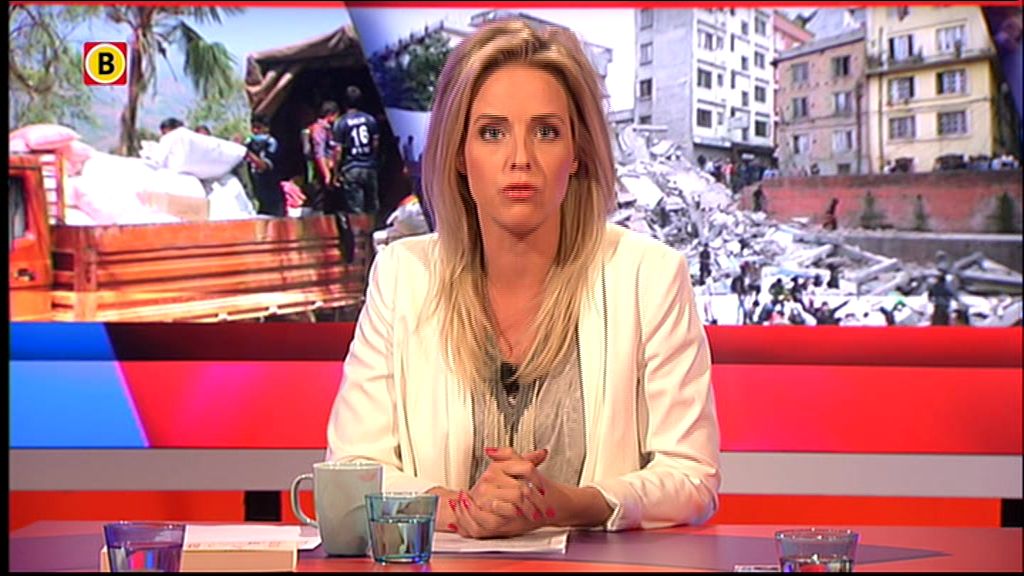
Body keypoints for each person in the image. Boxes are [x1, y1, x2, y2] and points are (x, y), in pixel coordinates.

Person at [325, 18, 720, 539]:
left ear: (577, 154)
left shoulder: (649, 275)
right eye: (492, 133)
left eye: (546, 132)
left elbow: (690, 476)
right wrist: (461, 509)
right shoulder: (403, 275)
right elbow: (353, 470)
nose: (520, 159)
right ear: (459, 153)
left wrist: (567, 505)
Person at [332, 85, 381, 218]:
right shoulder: (370, 119)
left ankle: (360, 229)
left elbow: (338, 150)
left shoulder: (341, 122)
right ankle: (374, 227)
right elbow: (375, 143)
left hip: (351, 168)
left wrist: (335, 172)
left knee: (355, 209)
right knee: (372, 205)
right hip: (369, 166)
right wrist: (373, 159)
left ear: (344, 102)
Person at [303, 100, 341, 214]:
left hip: (329, 170)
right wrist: (327, 174)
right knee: (322, 205)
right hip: (321, 172)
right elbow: (319, 153)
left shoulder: (328, 129)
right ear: (330, 115)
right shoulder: (319, 129)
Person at [244, 114, 282, 216]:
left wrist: (247, 152)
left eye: (258, 128)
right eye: (253, 128)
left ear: (266, 129)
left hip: (271, 195)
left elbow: (264, 166)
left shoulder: (271, 144)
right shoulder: (249, 143)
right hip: (257, 193)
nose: (255, 131)